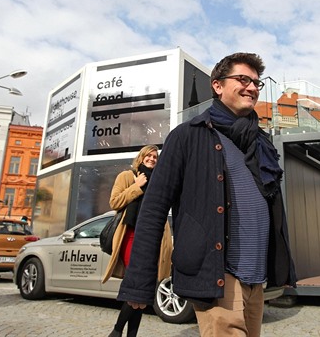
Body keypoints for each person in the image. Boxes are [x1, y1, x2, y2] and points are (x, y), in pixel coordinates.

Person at [117, 52, 297, 336]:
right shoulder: (187, 136)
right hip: (218, 276)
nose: (251, 87)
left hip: (256, 278)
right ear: (217, 85)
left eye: (256, 82)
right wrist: (139, 283)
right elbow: (153, 210)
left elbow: (272, 210)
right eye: (242, 79)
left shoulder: (261, 141)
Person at [103, 145, 172, 337]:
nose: (151, 159)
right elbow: (114, 202)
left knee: (142, 290)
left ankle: (129, 334)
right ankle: (117, 331)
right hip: (131, 235)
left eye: (155, 156)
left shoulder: (158, 182)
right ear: (140, 158)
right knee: (136, 285)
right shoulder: (127, 176)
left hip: (152, 238)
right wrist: (137, 186)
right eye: (148, 155)